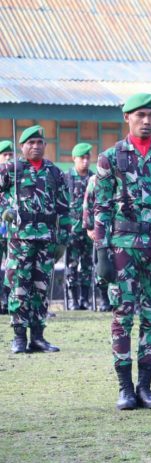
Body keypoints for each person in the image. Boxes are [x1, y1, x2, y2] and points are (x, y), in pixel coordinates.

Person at [94, 93, 151, 410]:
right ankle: (124, 389)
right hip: (123, 248)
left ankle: (145, 388)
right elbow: (101, 208)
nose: (146, 121)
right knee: (123, 316)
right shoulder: (110, 158)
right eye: (140, 115)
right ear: (127, 118)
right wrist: (101, 253)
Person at [0, 125, 70, 353]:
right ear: (22, 146)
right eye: (31, 143)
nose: (36, 146)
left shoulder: (54, 172)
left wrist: (63, 240)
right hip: (20, 239)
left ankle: (38, 336)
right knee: (19, 286)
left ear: (45, 145)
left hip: (46, 239)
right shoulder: (11, 169)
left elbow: (64, 207)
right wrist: (5, 209)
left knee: (41, 287)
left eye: (40, 142)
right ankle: (19, 337)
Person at [64, 143, 95, 310]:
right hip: (72, 229)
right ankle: (72, 300)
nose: (85, 161)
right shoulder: (66, 178)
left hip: (90, 229)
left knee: (88, 264)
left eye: (87, 157)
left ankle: (85, 299)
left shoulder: (94, 178)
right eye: (81, 158)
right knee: (72, 264)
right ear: (74, 159)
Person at [82, 174, 111, 311]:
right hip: (102, 229)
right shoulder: (95, 179)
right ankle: (104, 299)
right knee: (102, 264)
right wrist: (89, 227)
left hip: (123, 229)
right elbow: (88, 204)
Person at [0, 140, 13, 315]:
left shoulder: (17, 178)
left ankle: (10, 301)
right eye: (4, 155)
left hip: (12, 230)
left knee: (13, 267)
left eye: (10, 154)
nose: (8, 158)